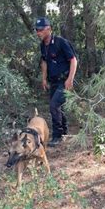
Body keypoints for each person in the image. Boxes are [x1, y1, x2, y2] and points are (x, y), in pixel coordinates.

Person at [36, 17, 77, 147]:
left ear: (49, 29)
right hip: (53, 81)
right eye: (37, 30)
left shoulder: (61, 42)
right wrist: (43, 78)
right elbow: (44, 61)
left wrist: (70, 79)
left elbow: (73, 60)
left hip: (64, 80)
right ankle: (64, 131)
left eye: (41, 30)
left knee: (54, 106)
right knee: (59, 107)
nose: (38, 33)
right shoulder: (43, 45)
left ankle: (57, 135)